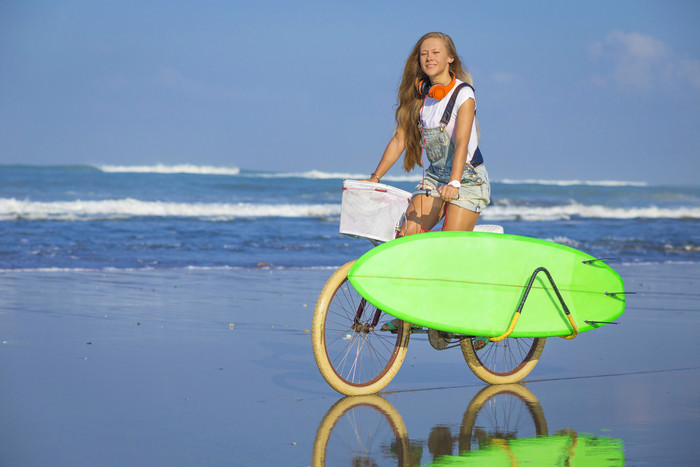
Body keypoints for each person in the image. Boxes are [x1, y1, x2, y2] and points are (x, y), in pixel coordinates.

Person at [364, 32, 491, 333]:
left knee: (447, 253)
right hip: (435, 179)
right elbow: (400, 139)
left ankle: (475, 312)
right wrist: (375, 176)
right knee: (406, 237)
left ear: (450, 58)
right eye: (423, 54)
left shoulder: (464, 95)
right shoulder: (421, 99)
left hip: (468, 180)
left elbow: (461, 143)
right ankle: (414, 312)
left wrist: (456, 183)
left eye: (435, 52)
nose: (429, 58)